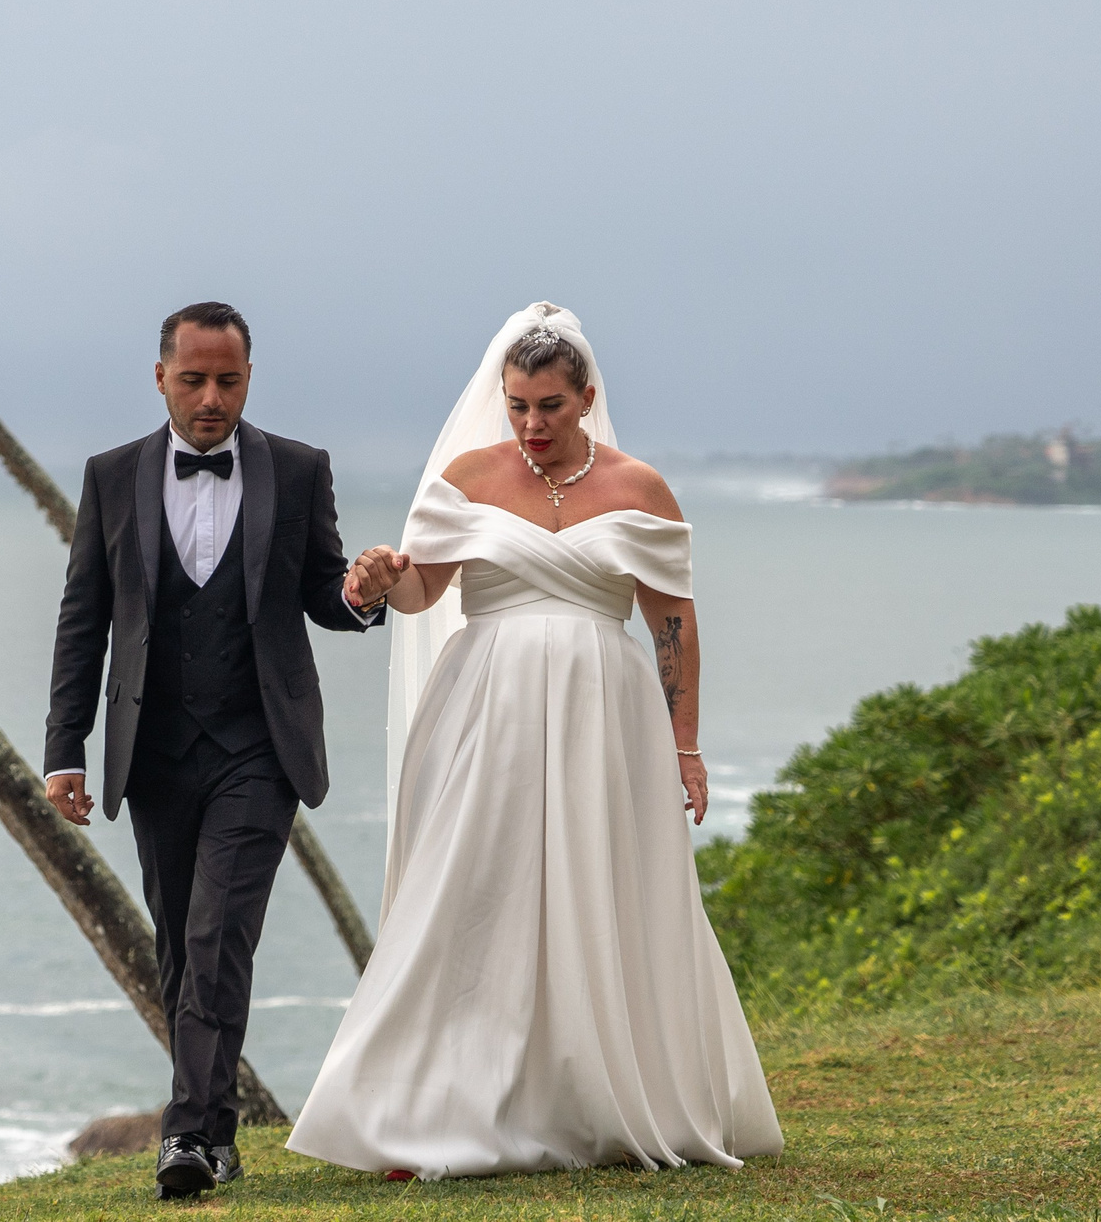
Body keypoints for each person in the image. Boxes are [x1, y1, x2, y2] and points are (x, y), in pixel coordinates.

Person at [289, 302, 783, 1180]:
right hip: (486, 707)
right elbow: (423, 594)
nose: (531, 425)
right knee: (472, 887)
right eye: (518, 404)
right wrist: (383, 578)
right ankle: (428, 1102)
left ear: (586, 397)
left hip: (607, 712)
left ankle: (603, 1094)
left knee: (605, 884)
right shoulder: (467, 475)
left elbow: (673, 624)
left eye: (549, 406)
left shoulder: (640, 488)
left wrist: (686, 746)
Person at [41, 302, 385, 1200]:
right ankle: (220, 1132)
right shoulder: (112, 475)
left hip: (259, 745)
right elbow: (83, 619)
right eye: (193, 379)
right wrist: (63, 750)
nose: (210, 398)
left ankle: (184, 1134)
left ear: (248, 378)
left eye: (227, 380)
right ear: (160, 376)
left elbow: (324, 590)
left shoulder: (299, 470)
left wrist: (364, 595)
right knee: (182, 950)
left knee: (217, 930)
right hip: (152, 749)